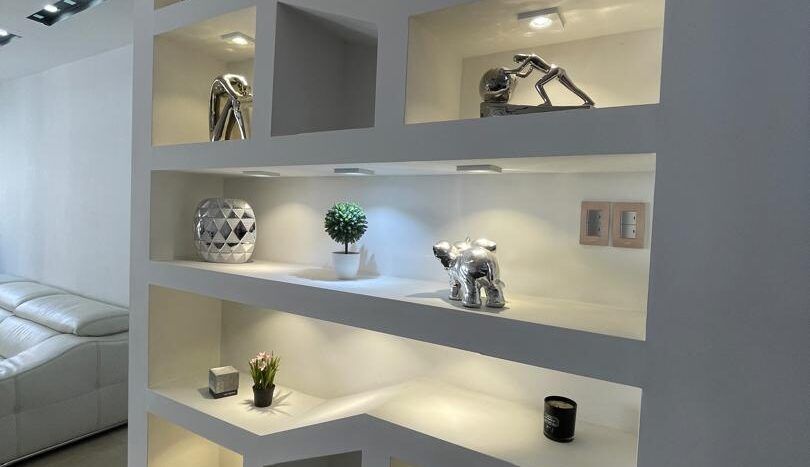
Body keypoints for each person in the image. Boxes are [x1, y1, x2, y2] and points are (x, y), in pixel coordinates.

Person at [502, 53, 595, 107]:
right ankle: (589, 101)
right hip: (557, 70)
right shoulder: (531, 64)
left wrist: (505, 71)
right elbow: (525, 75)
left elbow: (518, 69)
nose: (521, 63)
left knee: (538, 85)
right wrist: (514, 74)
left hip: (554, 70)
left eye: (519, 61)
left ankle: (547, 102)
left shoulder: (531, 57)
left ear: (520, 57)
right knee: (573, 88)